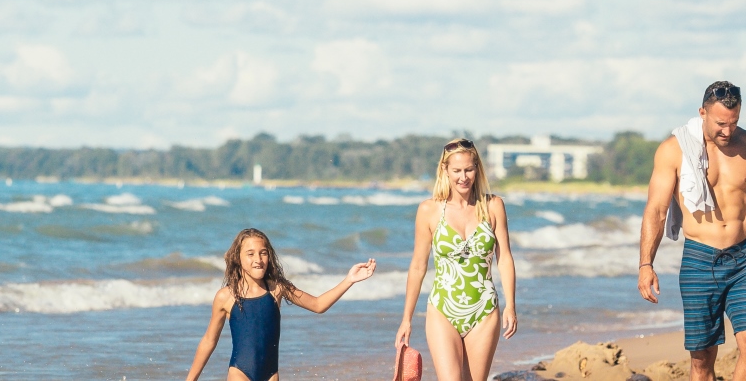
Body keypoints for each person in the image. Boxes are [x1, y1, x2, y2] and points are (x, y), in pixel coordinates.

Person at [637, 81, 746, 381]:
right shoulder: (673, 151)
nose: (727, 131)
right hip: (699, 259)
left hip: (744, 257)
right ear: (702, 113)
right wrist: (646, 264)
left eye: (734, 123)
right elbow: (656, 211)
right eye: (721, 123)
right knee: (702, 359)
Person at [395, 138, 519, 381]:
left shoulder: (493, 206)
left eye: (469, 169)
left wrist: (511, 306)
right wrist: (406, 319)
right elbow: (419, 266)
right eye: (457, 171)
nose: (464, 177)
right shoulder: (429, 210)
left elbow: (504, 258)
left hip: (484, 309)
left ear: (477, 169)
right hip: (443, 309)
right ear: (445, 170)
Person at [186, 228, 377, 381]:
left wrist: (349, 280)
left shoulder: (277, 289)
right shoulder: (226, 297)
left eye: (263, 253)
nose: (258, 260)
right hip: (239, 374)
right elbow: (209, 340)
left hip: (271, 375)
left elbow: (318, 305)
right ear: (238, 258)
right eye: (250, 254)